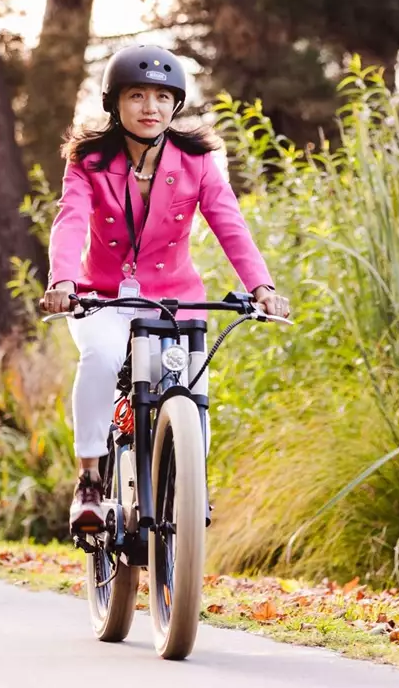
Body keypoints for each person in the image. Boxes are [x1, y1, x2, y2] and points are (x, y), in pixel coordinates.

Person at [40, 45, 291, 532]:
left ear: (176, 104)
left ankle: (188, 484)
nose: (150, 107)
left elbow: (230, 225)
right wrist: (63, 281)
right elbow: (69, 222)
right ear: (116, 103)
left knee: (192, 384)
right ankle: (90, 478)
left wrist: (261, 287)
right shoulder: (89, 161)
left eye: (162, 96)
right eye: (137, 95)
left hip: (176, 302)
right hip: (102, 300)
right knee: (101, 358)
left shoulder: (196, 161)